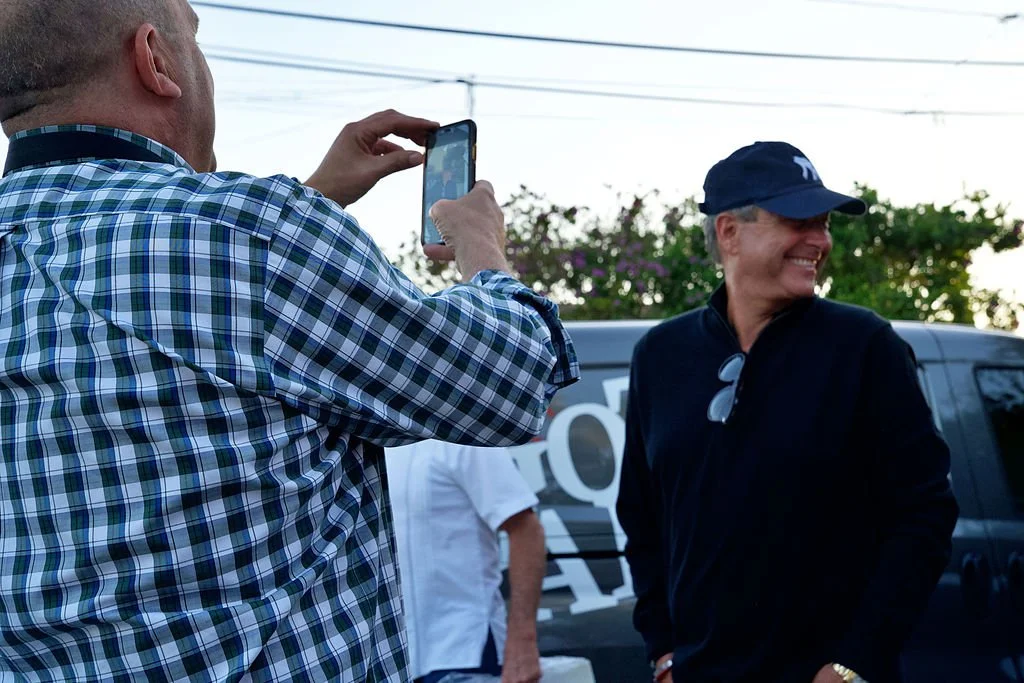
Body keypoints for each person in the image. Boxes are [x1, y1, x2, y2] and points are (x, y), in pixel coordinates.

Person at [0, 1, 578, 681]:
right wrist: (482, 247)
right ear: (154, 59)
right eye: (196, 41)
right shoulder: (254, 236)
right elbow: (508, 381)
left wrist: (313, 202)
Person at [616, 141, 959, 683]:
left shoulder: (864, 346)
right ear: (729, 232)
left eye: (823, 225)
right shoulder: (660, 355)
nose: (819, 241)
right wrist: (663, 651)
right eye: (798, 221)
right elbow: (640, 517)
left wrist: (853, 664)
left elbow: (925, 515)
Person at [386, 441, 546, 683]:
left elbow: (526, 530)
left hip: (465, 652)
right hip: (396, 659)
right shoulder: (374, 443)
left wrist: (523, 640)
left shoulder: (462, 440)